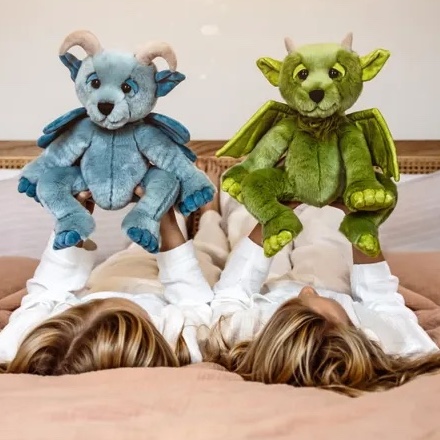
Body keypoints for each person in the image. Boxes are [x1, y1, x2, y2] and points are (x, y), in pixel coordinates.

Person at [200, 197, 440, 397]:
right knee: (328, 230)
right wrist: (358, 221)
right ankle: (321, 196)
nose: (306, 290)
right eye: (312, 296)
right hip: (333, 285)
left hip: (267, 290)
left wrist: (273, 213)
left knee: (245, 224)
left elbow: (232, 290)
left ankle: (220, 206)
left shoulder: (244, 332)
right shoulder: (400, 342)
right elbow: (382, 296)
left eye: (298, 301)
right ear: (357, 331)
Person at [0, 188, 213, 375]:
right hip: (159, 288)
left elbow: (46, 292)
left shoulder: (23, 344)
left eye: (82, 305)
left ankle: (176, 217)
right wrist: (165, 217)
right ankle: (210, 213)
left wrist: (73, 224)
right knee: (208, 245)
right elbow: (194, 302)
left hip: (107, 276)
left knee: (136, 248)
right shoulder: (180, 341)